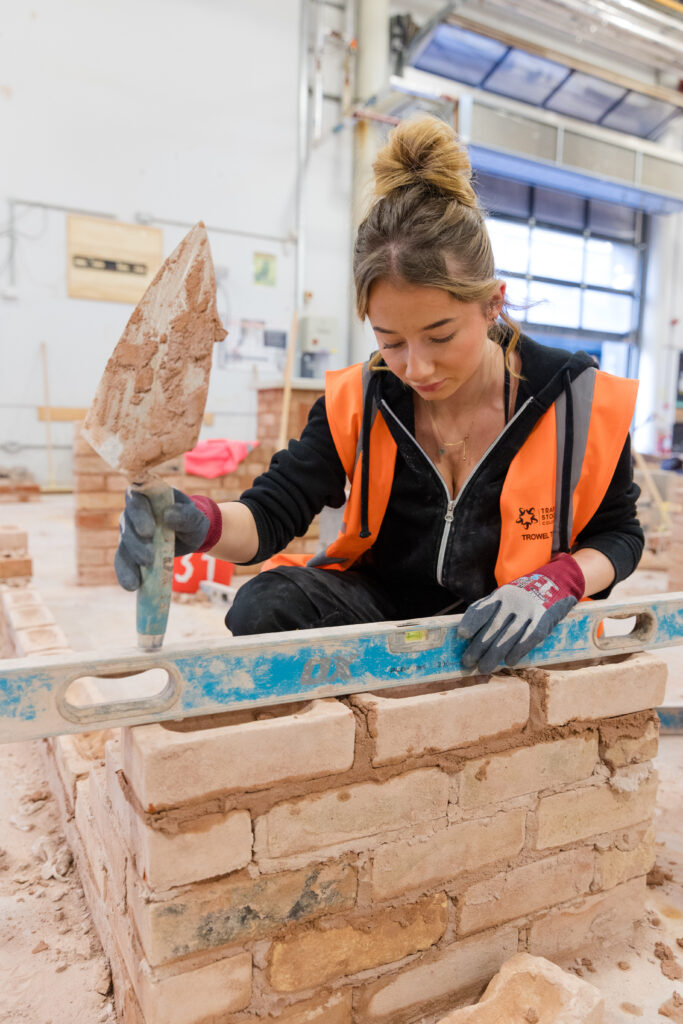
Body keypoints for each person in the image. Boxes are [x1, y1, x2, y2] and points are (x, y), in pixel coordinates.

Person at [115, 116, 643, 674]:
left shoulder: (577, 399)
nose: (416, 367)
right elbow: (272, 512)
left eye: (440, 336)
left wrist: (557, 580)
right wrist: (201, 523)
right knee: (264, 605)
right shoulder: (363, 397)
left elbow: (619, 534)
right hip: (383, 610)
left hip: (504, 619)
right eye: (390, 341)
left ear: (493, 303)